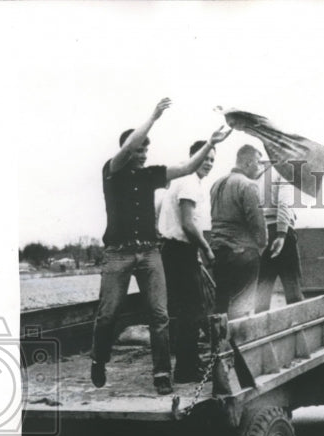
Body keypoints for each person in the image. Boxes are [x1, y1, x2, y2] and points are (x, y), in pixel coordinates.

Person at [90, 98, 230, 395]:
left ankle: (162, 373)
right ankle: (99, 358)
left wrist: (209, 143)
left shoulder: (149, 174)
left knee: (160, 314)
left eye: (145, 150)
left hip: (150, 252)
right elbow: (127, 149)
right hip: (118, 253)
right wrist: (153, 117)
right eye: (138, 149)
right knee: (108, 312)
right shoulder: (111, 172)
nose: (141, 154)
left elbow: (186, 167)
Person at [157, 139, 219, 383]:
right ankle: (186, 369)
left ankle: (189, 363)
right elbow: (187, 223)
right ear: (196, 156)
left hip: (176, 251)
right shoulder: (190, 181)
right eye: (206, 158)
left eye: (213, 160)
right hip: (179, 251)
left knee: (185, 311)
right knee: (191, 311)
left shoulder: (182, 180)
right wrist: (206, 249)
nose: (209, 164)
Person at [209, 144, 268, 319]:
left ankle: (220, 344)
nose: (260, 167)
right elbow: (257, 221)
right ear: (248, 163)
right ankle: (241, 344)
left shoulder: (216, 184)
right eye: (258, 162)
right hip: (243, 254)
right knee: (242, 307)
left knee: (221, 305)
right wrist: (262, 244)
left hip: (219, 252)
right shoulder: (248, 185)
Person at [254, 169, 303, 312]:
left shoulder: (260, 175)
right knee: (293, 288)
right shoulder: (284, 173)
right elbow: (284, 203)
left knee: (263, 289)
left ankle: (260, 329)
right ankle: (298, 328)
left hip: (264, 231)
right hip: (282, 234)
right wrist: (282, 234)